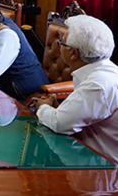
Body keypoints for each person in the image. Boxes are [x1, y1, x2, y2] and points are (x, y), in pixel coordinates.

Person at [33, 15, 118, 163]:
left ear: (73, 53)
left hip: (101, 169)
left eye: (61, 43)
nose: (59, 47)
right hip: (85, 154)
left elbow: (60, 123)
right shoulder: (105, 70)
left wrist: (43, 107)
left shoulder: (97, 85)